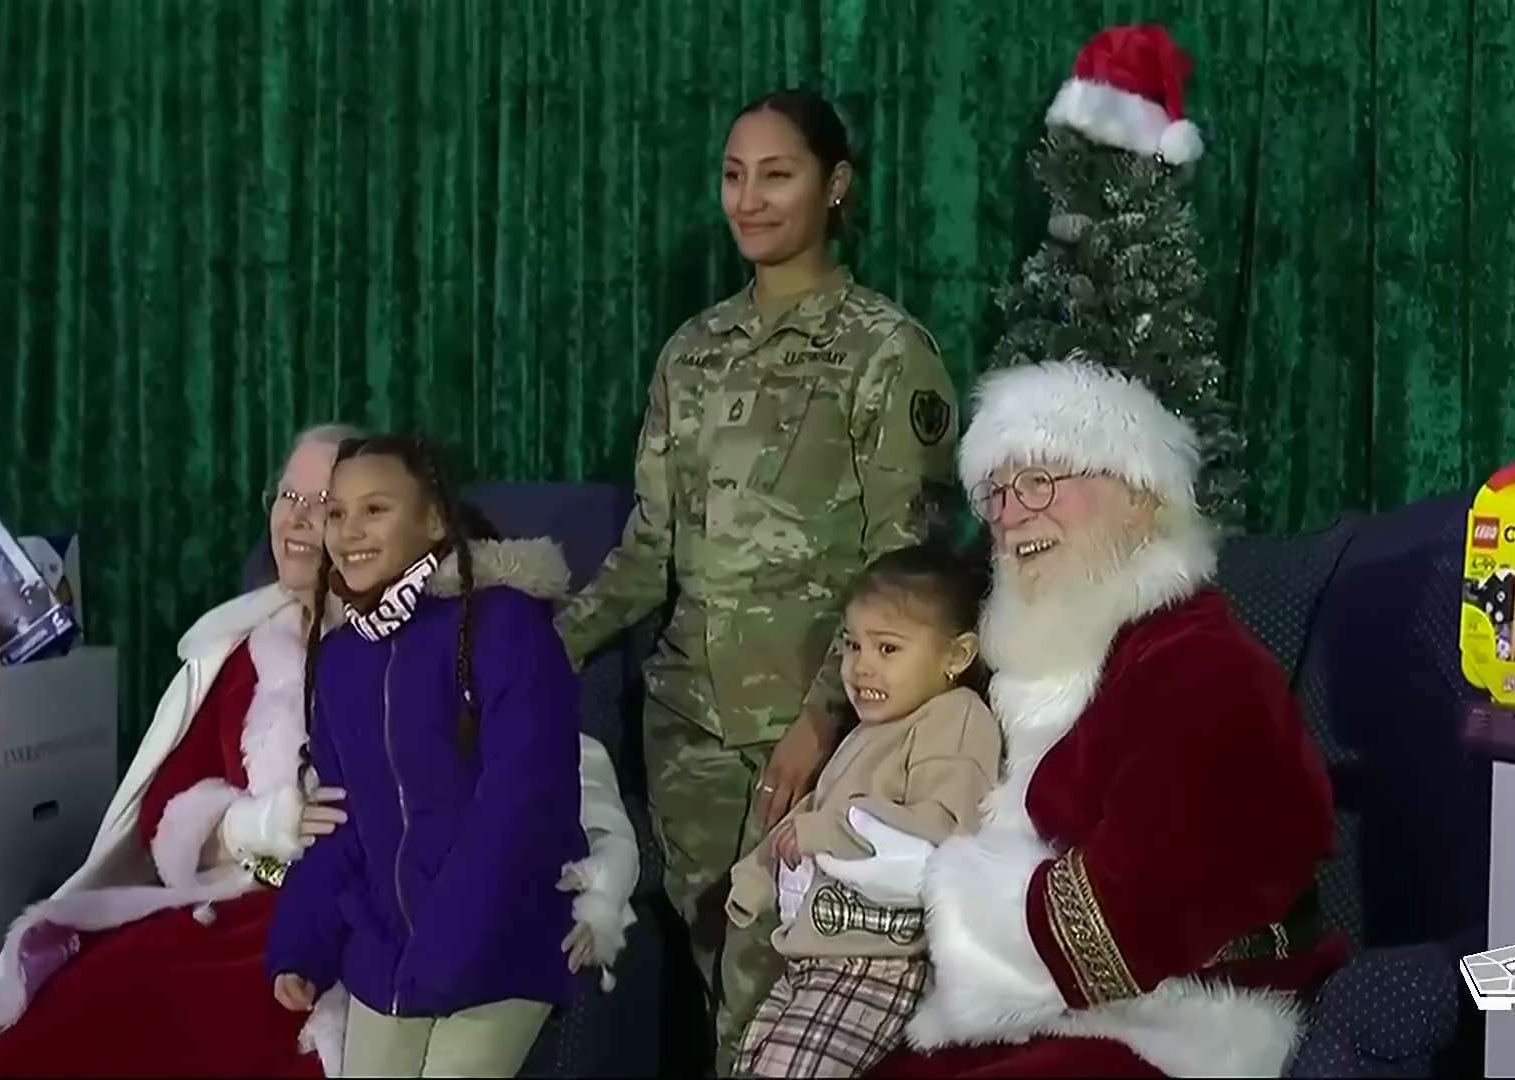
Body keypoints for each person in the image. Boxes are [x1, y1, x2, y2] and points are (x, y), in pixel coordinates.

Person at [0, 425, 639, 1078]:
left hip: (453, 939)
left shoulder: (489, 626)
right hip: (297, 919)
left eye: (351, 505)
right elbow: (180, 814)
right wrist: (265, 838)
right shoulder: (274, 652)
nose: (317, 522)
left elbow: (539, 788)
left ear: (428, 519)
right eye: (302, 501)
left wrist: (599, 879)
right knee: (85, 1009)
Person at [554, 88, 961, 1073]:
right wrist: (535, 647)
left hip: (822, 731)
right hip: (690, 727)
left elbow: (909, 568)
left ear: (835, 186)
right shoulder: (691, 352)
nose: (750, 198)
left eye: (777, 175)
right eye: (735, 176)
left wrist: (824, 719)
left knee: (791, 990)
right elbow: (649, 549)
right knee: (724, 995)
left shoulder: (886, 351)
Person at [819, 359, 1349, 1077]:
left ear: (1140, 500)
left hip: (1182, 1020)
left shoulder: (1200, 665)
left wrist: (939, 883)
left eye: (1040, 480)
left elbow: (1136, 916)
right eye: (997, 492)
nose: (1011, 514)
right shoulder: (1042, 658)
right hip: (1041, 1009)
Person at [265, 434, 585, 1078]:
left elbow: (520, 809)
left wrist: (445, 947)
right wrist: (302, 944)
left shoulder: (506, 627)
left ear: (434, 520)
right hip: (387, 962)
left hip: (499, 951)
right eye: (337, 512)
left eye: (375, 509)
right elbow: (338, 820)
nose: (349, 530)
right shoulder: (342, 659)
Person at [726, 544, 1000, 1078]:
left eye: (888, 648)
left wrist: (823, 832)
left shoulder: (956, 719)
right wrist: (754, 879)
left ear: (956, 655)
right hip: (815, 960)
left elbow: (944, 830)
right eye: (853, 645)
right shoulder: (870, 732)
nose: (861, 666)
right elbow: (812, 811)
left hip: (880, 966)